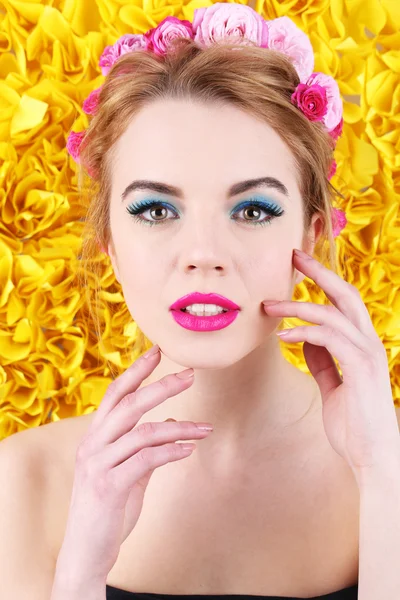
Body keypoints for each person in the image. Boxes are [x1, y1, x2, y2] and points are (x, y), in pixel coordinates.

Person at [1, 4, 371, 599]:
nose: (203, 253)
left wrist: (384, 480)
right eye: (156, 210)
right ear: (110, 246)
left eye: (253, 210)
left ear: (310, 235)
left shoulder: (386, 463)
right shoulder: (22, 482)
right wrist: (80, 574)